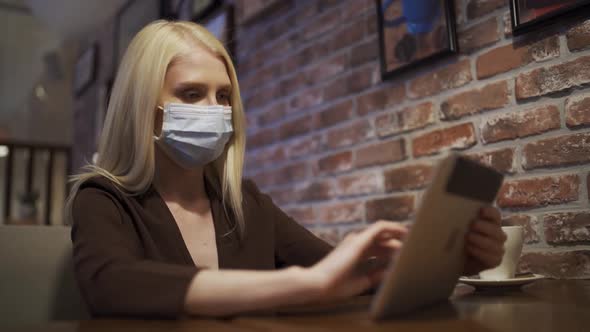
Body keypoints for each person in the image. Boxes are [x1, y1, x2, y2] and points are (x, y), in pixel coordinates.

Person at [67, 20, 506, 318]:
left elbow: (339, 273)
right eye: (192, 93)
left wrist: (447, 261)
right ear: (144, 106)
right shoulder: (103, 199)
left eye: (223, 97)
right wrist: (303, 286)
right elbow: (112, 283)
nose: (215, 110)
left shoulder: (247, 203)